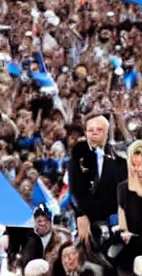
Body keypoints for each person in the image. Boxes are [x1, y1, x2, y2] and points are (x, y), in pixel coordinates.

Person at [68, 114, 126, 251]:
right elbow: (74, 191)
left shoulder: (119, 160)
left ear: (106, 133)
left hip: (114, 223)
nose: (94, 133)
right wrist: (81, 214)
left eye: (98, 129)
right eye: (90, 130)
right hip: (86, 223)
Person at [115, 140, 142, 275]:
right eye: (135, 165)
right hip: (132, 244)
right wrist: (124, 233)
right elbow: (122, 223)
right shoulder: (123, 188)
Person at [21, 204, 69, 268]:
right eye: (39, 221)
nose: (43, 224)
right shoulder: (27, 237)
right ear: (34, 222)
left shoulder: (61, 238)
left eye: (46, 220)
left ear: (50, 221)